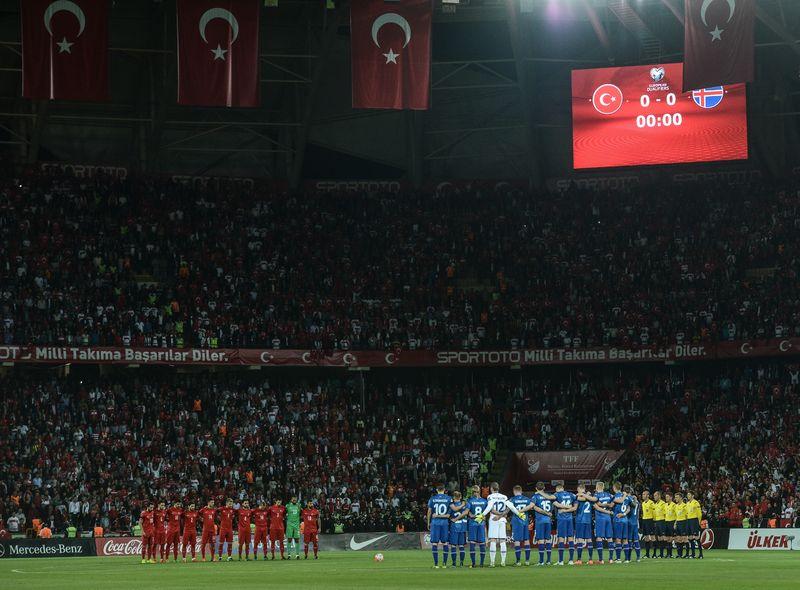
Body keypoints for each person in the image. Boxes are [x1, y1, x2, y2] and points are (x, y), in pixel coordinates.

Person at [487, 481, 517, 568]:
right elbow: (509, 508)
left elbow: (491, 509)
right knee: (502, 540)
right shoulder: (504, 497)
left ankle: (492, 563)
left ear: (491, 488)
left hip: (494, 519)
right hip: (503, 519)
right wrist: (502, 515)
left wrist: (498, 516)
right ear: (498, 488)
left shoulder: (490, 496)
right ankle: (503, 562)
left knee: (493, 540)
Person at [426, 483, 452, 568]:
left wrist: (428, 522)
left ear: (437, 490)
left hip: (435, 523)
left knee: (434, 543)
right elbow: (451, 510)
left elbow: (429, 512)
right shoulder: (449, 498)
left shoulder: (432, 499)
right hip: (444, 523)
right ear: (444, 490)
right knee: (445, 543)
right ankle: (444, 564)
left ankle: (436, 564)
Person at [531, 482, 555, 566]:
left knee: (541, 540)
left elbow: (535, 508)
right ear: (544, 488)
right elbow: (553, 506)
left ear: (536, 488)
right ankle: (548, 561)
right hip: (548, 520)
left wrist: (545, 513)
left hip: (540, 521)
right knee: (548, 539)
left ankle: (541, 561)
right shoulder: (548, 496)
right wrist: (549, 514)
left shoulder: (535, 497)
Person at [590, 481, 614, 564]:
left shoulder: (595, 496)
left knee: (599, 537)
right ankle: (611, 559)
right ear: (603, 487)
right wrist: (609, 507)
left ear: (597, 488)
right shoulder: (609, 495)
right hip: (608, 519)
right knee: (609, 538)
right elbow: (613, 502)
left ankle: (601, 559)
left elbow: (597, 507)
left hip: (600, 518)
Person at [554, 483, 577, 565]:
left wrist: (563, 509)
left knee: (561, 538)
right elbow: (575, 506)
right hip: (570, 519)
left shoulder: (556, 494)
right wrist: (568, 507)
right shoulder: (571, 495)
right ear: (563, 488)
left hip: (561, 519)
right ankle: (571, 560)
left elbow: (555, 503)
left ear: (557, 489)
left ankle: (561, 561)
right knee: (570, 538)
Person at [509, 485, 531, 566]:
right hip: (525, 521)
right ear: (521, 491)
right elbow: (532, 507)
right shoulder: (527, 499)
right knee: (526, 540)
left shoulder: (512, 499)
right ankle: (527, 561)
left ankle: (518, 561)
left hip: (517, 522)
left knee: (517, 541)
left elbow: (508, 509)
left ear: (514, 491)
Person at [466, 485, 488, 568]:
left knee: (472, 543)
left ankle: (473, 563)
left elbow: (469, 513)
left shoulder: (469, 501)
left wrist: (474, 516)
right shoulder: (484, 501)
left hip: (472, 524)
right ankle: (481, 563)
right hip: (481, 524)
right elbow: (485, 515)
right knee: (482, 543)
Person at [611, 482, 631, 563]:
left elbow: (611, 505)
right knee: (625, 540)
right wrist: (624, 514)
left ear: (614, 488)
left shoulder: (615, 496)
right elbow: (629, 508)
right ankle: (626, 559)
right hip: (625, 520)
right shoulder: (627, 497)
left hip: (618, 520)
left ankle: (618, 559)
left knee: (618, 540)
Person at [574, 484, 594, 565]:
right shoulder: (590, 497)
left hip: (580, 520)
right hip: (588, 520)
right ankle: (590, 559)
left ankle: (579, 559)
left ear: (579, 489)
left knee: (580, 540)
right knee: (589, 539)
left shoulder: (578, 498)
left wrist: (578, 495)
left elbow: (578, 499)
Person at [449, 491, 468, 567]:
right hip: (463, 526)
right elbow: (466, 513)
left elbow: (449, 513)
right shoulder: (465, 504)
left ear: (453, 497)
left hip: (454, 526)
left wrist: (452, 518)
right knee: (461, 545)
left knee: (453, 545)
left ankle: (454, 563)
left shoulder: (451, 505)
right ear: (460, 497)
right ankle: (461, 563)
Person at [625, 486, 641, 562]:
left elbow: (627, 510)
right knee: (636, 540)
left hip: (629, 522)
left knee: (629, 541)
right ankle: (638, 558)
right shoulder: (637, 501)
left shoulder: (628, 500)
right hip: (635, 522)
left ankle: (628, 558)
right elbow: (638, 513)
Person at [686, 491, 703, 559]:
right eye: (687, 495)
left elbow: (699, 514)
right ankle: (693, 554)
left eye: (689, 495)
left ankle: (701, 554)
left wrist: (698, 522)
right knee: (690, 538)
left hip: (694, 521)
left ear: (693, 496)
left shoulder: (696, 503)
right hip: (689, 521)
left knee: (696, 537)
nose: (688, 496)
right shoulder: (687, 503)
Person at [640, 490, 655, 558]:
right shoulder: (643, 503)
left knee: (652, 537)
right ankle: (647, 554)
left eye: (644, 494)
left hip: (650, 520)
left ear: (648, 495)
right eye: (642, 494)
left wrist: (654, 521)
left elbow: (654, 513)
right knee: (646, 537)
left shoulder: (651, 503)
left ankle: (654, 554)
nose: (643, 495)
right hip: (644, 520)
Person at [674, 492, 689, 558]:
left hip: (684, 522)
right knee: (678, 539)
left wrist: (687, 524)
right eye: (675, 497)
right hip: (678, 523)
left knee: (684, 539)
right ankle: (679, 554)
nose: (675, 499)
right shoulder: (676, 506)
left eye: (677, 497)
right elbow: (677, 516)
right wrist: (675, 523)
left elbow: (687, 515)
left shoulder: (685, 506)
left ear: (681, 498)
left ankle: (687, 554)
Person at [652, 490, 667, 558]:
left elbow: (665, 514)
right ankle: (658, 554)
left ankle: (663, 553)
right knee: (657, 538)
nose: (654, 497)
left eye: (655, 495)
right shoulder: (655, 504)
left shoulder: (663, 504)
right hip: (656, 522)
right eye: (654, 495)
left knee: (662, 538)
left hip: (662, 521)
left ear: (659, 496)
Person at [664, 492, 676, 559]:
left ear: (671, 497)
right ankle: (668, 554)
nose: (666, 498)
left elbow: (676, 514)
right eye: (666, 497)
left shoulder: (674, 505)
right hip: (666, 522)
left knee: (671, 539)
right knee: (667, 539)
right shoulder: (665, 505)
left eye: (667, 497)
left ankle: (670, 554)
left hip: (672, 522)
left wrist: (675, 523)